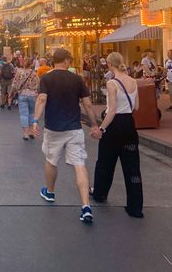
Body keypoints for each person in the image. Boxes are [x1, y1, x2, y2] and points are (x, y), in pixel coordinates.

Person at [32, 48, 99, 224]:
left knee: (51, 160)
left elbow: (41, 100)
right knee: (79, 164)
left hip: (53, 127)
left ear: (54, 61)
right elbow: (88, 105)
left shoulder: (46, 78)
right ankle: (85, 206)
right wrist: (94, 125)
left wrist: (34, 120)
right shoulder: (77, 79)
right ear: (67, 60)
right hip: (74, 127)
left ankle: (50, 191)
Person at [91, 52, 143, 218]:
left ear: (109, 64)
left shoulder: (112, 83)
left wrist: (102, 128)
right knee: (132, 166)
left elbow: (112, 110)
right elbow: (136, 107)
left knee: (106, 161)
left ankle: (100, 192)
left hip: (114, 126)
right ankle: (135, 206)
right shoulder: (134, 81)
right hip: (129, 124)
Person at [12, 58, 39, 140]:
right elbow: (38, 84)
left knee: (24, 114)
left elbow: (14, 84)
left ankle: (25, 133)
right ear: (31, 64)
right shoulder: (34, 73)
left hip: (22, 94)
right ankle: (31, 131)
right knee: (32, 113)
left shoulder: (19, 73)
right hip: (32, 94)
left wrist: (12, 92)